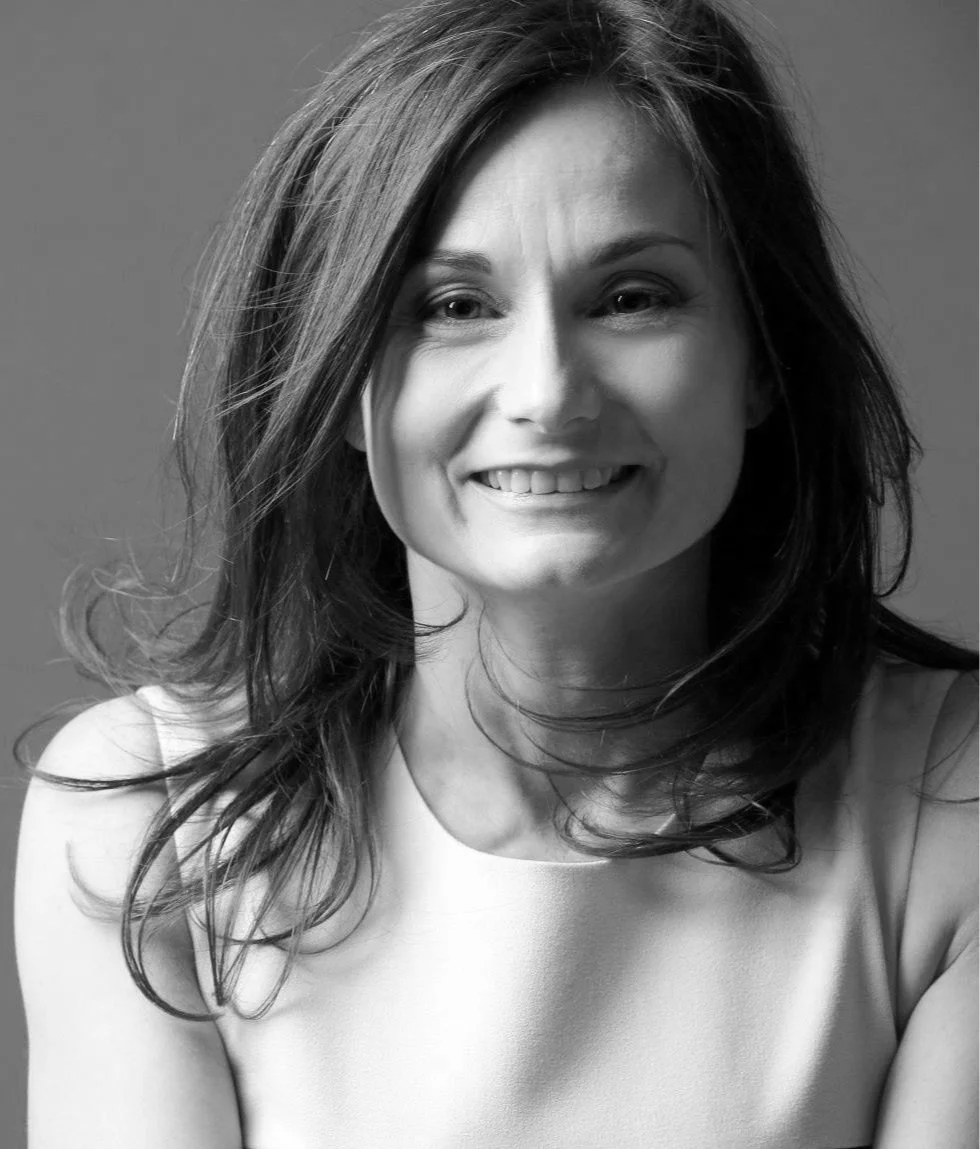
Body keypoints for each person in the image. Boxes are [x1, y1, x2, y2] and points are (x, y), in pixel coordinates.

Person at [14, 0, 977, 1145]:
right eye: (454, 307)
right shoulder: (153, 817)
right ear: (343, 384)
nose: (547, 391)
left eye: (631, 297)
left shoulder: (949, 804)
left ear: (759, 360)